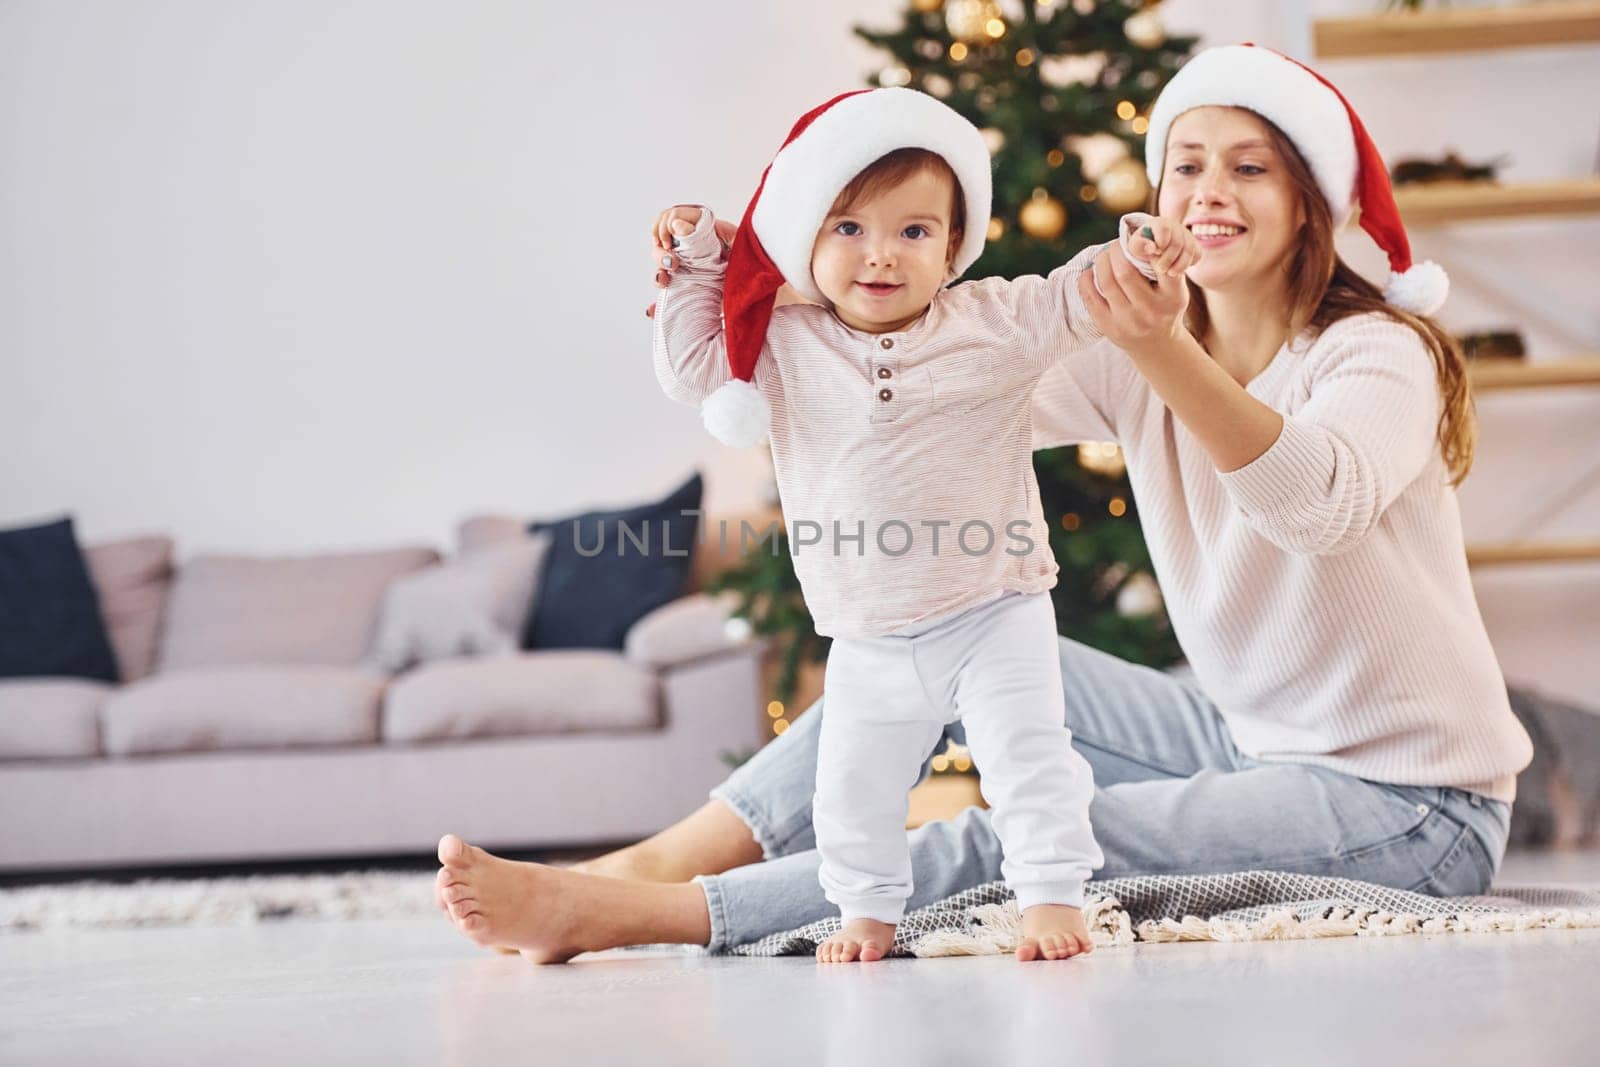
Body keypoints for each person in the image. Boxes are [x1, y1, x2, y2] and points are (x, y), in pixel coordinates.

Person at [432, 45, 1532, 964]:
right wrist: (781, 278)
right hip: (1241, 735)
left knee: (1027, 831)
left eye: (1249, 168)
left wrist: (1152, 347)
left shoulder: (1375, 354)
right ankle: (664, 855)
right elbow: (921, 391)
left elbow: (1315, 504)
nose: (1207, 190)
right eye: (1185, 163)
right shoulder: (1141, 348)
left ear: (1309, 203)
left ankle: (644, 914)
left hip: (1407, 803)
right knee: (934, 641)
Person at [441, 85, 1197, 965]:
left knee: (1030, 760)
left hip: (997, 609)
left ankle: (1051, 897)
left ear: (954, 247)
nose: (880, 256)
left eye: (914, 232)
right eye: (849, 229)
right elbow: (694, 366)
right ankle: (867, 915)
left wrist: (1145, 253)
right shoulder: (787, 341)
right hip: (868, 630)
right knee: (851, 787)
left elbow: (1084, 293)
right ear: (809, 240)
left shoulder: (997, 319)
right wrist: (696, 263)